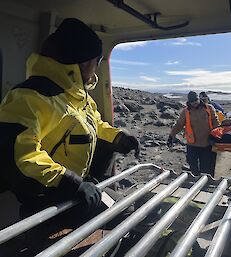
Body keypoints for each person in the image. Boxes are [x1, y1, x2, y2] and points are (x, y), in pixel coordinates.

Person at [0, 18, 140, 216]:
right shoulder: (29, 97)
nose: (97, 68)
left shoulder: (77, 96)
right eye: (97, 61)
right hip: (49, 197)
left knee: (129, 208)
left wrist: (119, 138)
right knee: (126, 214)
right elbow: (21, 156)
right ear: (83, 63)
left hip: (74, 189)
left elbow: (95, 125)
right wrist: (70, 183)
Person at [167, 91, 219, 177]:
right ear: (189, 102)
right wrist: (171, 137)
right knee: (193, 167)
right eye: (192, 101)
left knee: (206, 169)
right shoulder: (186, 112)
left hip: (208, 144)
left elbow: (216, 123)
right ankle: (195, 183)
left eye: (196, 100)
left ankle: (205, 186)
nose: (194, 102)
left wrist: (216, 137)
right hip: (192, 144)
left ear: (199, 99)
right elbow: (179, 125)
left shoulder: (209, 108)